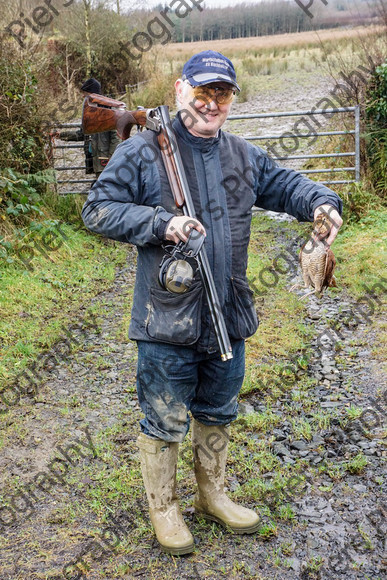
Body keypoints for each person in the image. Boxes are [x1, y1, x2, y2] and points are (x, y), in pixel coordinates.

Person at [81, 50, 343, 555]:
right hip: (166, 320)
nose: (210, 102)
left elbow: (285, 184)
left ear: (230, 100)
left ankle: (212, 496)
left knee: (219, 409)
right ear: (181, 89)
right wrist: (161, 223)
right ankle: (165, 509)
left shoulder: (242, 155)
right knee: (164, 418)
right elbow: (97, 209)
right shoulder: (143, 152)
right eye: (202, 90)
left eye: (221, 93)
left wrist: (321, 202)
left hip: (228, 313)